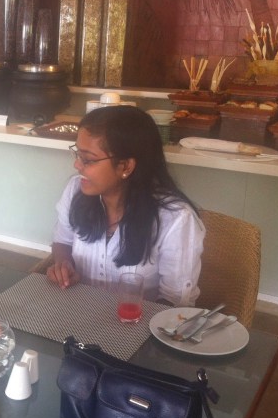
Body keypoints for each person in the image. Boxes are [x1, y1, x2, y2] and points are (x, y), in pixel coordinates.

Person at [47, 105, 205, 306]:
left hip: (141, 322)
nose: (77, 165)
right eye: (77, 154)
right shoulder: (76, 190)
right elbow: (63, 241)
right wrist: (64, 264)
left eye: (88, 159)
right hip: (78, 309)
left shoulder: (175, 219)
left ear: (126, 166)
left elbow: (174, 301)